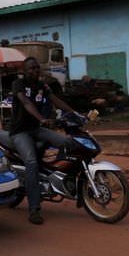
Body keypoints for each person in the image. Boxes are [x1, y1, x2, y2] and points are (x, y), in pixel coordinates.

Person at [10, 56, 78, 225]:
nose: (35, 70)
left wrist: (75, 114)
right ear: (25, 71)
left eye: (36, 68)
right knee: (31, 162)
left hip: (36, 129)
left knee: (67, 143)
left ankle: (62, 181)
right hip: (20, 132)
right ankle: (34, 209)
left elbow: (55, 100)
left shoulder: (41, 86)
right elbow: (25, 102)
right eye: (31, 68)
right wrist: (41, 118)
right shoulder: (18, 84)